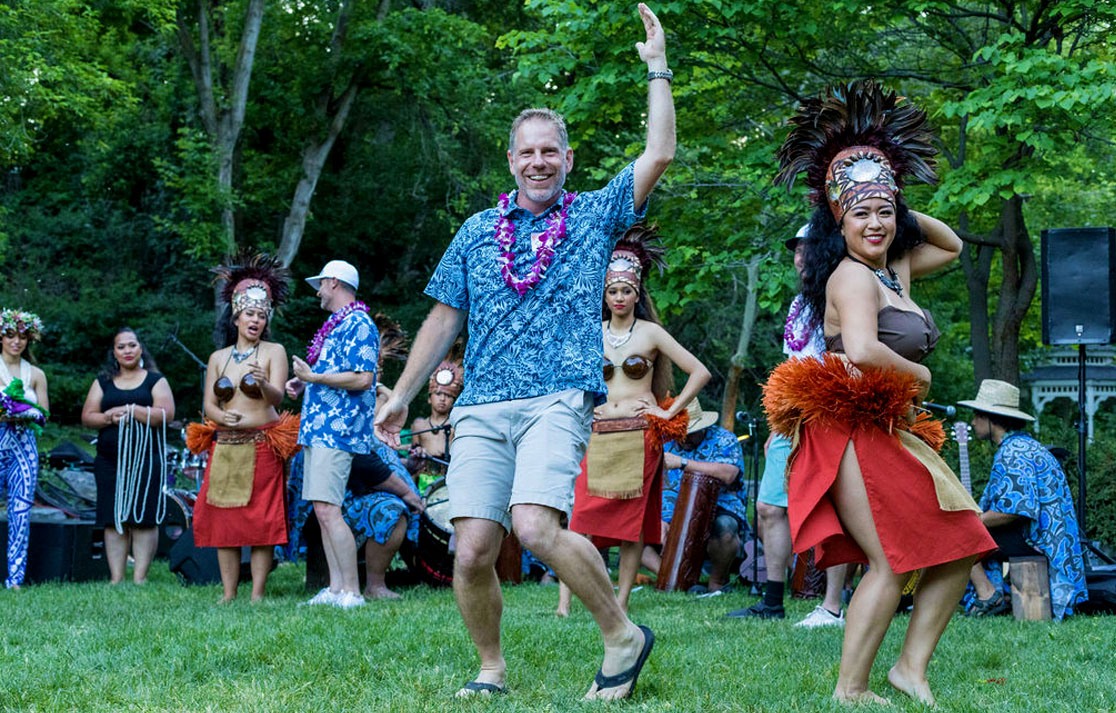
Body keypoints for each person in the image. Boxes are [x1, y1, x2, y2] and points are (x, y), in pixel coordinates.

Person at [375, 4, 674, 698]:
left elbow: (658, 153)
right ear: (511, 161)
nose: (539, 160)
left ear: (567, 159)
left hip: (557, 394)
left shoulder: (596, 214)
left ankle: (622, 634)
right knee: (473, 546)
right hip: (481, 399)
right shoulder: (478, 231)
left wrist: (656, 66)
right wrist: (402, 392)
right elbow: (445, 316)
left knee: (535, 525)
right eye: (527, 151)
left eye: (551, 150)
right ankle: (490, 667)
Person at [764, 79, 996, 706]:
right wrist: (918, 376)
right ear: (836, 217)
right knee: (893, 559)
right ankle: (851, 689)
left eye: (884, 212)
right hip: (848, 431)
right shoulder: (850, 277)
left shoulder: (891, 269)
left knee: (962, 540)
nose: (875, 222)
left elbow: (949, 244)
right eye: (860, 212)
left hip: (887, 429)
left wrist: (886, 192)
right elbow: (864, 351)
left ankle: (909, 669)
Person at [560, 225, 709, 614]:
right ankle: (565, 602)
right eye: (613, 291)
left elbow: (700, 372)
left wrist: (668, 411)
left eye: (627, 290)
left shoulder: (652, 333)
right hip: (599, 433)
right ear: (604, 295)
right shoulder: (591, 335)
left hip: (641, 435)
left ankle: (621, 601)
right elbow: (568, 379)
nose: (620, 297)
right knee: (581, 516)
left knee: (631, 524)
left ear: (637, 293)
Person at [730, 224, 849, 625]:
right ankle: (773, 600)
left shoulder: (844, 295)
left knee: (834, 510)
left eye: (808, 249)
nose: (800, 256)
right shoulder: (799, 305)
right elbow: (791, 367)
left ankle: (833, 607)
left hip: (830, 417)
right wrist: (777, 421)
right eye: (797, 250)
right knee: (768, 507)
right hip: (793, 419)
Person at [189, 254, 299, 603]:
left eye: (262, 315)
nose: (256, 320)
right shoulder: (218, 358)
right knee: (225, 521)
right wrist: (221, 419)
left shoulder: (274, 351)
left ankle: (258, 593)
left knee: (261, 522)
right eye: (250, 314)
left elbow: (277, 397)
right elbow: (209, 404)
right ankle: (228, 592)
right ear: (236, 316)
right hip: (226, 444)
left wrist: (264, 385)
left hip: (262, 444)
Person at [285, 259, 378, 609]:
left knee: (329, 509)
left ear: (335, 283)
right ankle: (336, 588)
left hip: (337, 430)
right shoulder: (337, 324)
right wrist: (303, 382)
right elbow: (333, 373)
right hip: (321, 428)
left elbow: (362, 378)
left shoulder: (359, 323)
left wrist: (315, 379)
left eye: (321, 285)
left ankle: (352, 592)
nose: (319, 292)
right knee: (323, 509)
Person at [958, 379, 1087, 620]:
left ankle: (988, 594)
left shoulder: (1014, 452)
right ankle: (996, 593)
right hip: (1046, 537)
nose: (973, 422)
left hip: (1039, 540)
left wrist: (972, 521)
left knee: (958, 533)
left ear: (991, 418)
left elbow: (1016, 512)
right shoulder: (1024, 445)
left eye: (977, 415)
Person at [81, 328, 175, 585]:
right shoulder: (103, 381)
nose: (127, 351)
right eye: (121, 347)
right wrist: (108, 417)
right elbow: (88, 416)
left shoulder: (155, 380)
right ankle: (116, 577)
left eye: (132, 345)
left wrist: (132, 410)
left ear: (140, 348)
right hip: (110, 459)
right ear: (114, 352)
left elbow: (166, 414)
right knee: (113, 517)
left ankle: (140, 577)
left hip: (146, 457)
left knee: (143, 517)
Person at [641, 398, 746, 593]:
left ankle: (717, 583)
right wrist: (660, 517)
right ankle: (674, 579)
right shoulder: (662, 439)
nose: (685, 439)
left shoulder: (724, 439)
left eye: (691, 434)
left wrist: (682, 462)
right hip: (667, 509)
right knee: (635, 532)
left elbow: (729, 474)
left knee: (726, 529)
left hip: (718, 508)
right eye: (680, 434)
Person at [0, 309, 49, 589]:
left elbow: (44, 412)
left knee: (20, 511)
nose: (16, 342)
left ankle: (15, 578)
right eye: (10, 335)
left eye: (22, 336)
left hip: (24, 445)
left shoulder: (36, 374)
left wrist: (29, 413)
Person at [406, 357, 462, 492]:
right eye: (438, 394)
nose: (442, 399)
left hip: (448, 481)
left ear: (454, 401)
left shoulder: (456, 426)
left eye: (448, 396)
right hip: (423, 481)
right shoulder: (418, 426)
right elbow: (414, 462)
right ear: (429, 398)